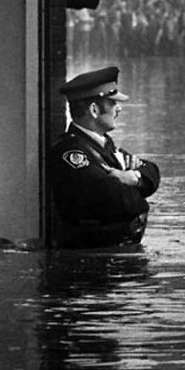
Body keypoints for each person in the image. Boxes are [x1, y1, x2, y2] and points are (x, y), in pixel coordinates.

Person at [49, 66, 160, 248]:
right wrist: (138, 193)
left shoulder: (105, 145)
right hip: (92, 260)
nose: (119, 109)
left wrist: (133, 177)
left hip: (118, 251)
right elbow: (115, 199)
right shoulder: (70, 152)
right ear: (94, 110)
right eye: (113, 103)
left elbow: (152, 172)